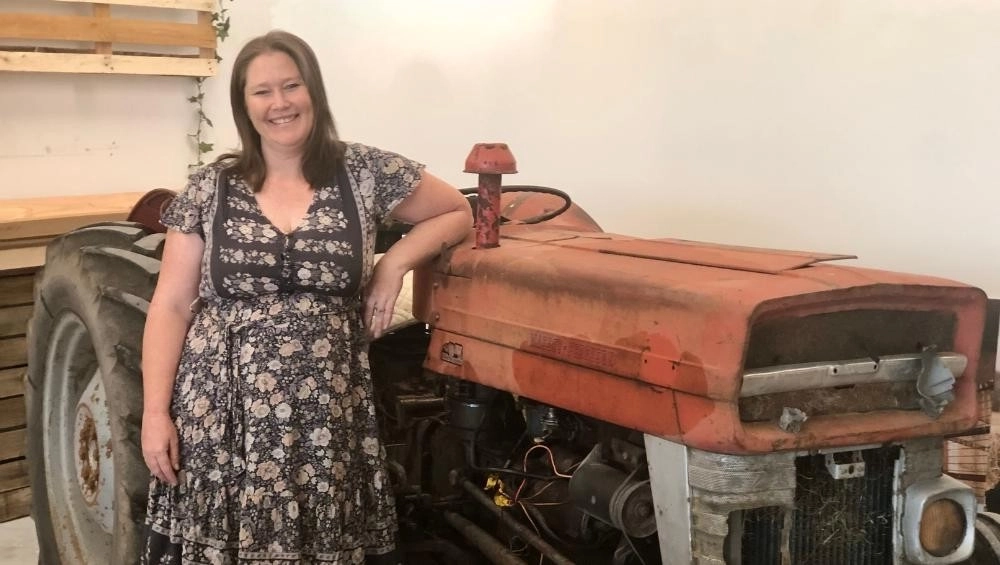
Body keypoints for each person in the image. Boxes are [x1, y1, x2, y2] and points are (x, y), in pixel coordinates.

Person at [139, 30, 472, 564]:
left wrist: (393, 264)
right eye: (262, 91)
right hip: (222, 416)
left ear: (313, 90)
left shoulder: (363, 171)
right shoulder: (210, 187)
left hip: (325, 418)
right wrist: (155, 413)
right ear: (244, 105)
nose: (280, 103)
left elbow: (456, 211)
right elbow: (171, 306)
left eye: (291, 85)